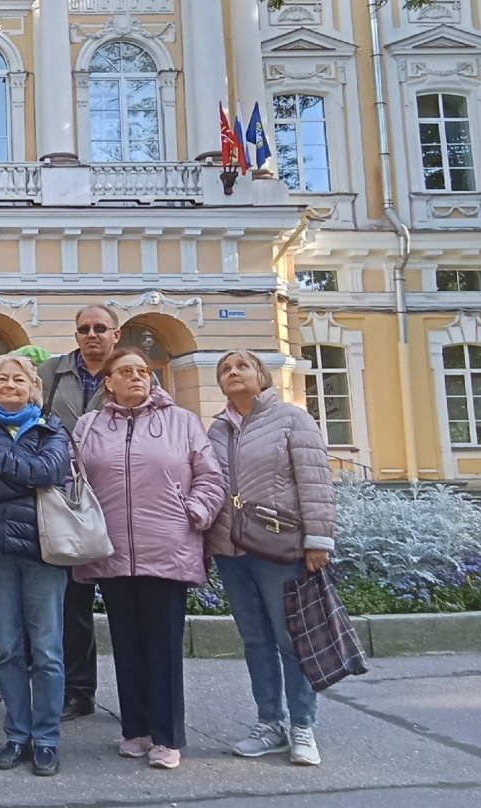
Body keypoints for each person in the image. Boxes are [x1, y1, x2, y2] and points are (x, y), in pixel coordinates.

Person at [72, 348, 225, 770]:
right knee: (125, 644)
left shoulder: (182, 422)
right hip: (111, 549)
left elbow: (210, 477)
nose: (137, 377)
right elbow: (73, 478)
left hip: (168, 547)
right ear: (109, 382)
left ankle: (167, 736)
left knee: (163, 646)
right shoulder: (89, 426)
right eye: (126, 371)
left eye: (143, 371)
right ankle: (135, 730)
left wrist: (192, 514)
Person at [207, 350, 337, 767]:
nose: (233, 373)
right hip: (232, 550)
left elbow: (315, 479)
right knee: (256, 641)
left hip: (281, 548)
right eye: (225, 369)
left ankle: (302, 726)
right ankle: (270, 723)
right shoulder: (217, 428)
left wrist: (317, 540)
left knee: (291, 639)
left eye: (242, 366)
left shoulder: (291, 419)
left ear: (261, 376)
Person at [0, 354, 72, 777]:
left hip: (44, 550)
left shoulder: (51, 428)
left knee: (46, 651)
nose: (9, 384)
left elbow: (52, 471)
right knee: (7, 650)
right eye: (1, 378)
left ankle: (46, 739)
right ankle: (16, 733)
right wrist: (25, 479)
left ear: (33, 387)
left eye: (18, 379)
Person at [37, 305, 122, 722]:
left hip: (120, 500)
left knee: (125, 605)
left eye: (100, 329)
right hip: (67, 501)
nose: (92, 335)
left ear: (116, 335)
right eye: (84, 329)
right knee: (73, 606)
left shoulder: (129, 373)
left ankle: (138, 696)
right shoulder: (53, 373)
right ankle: (78, 690)